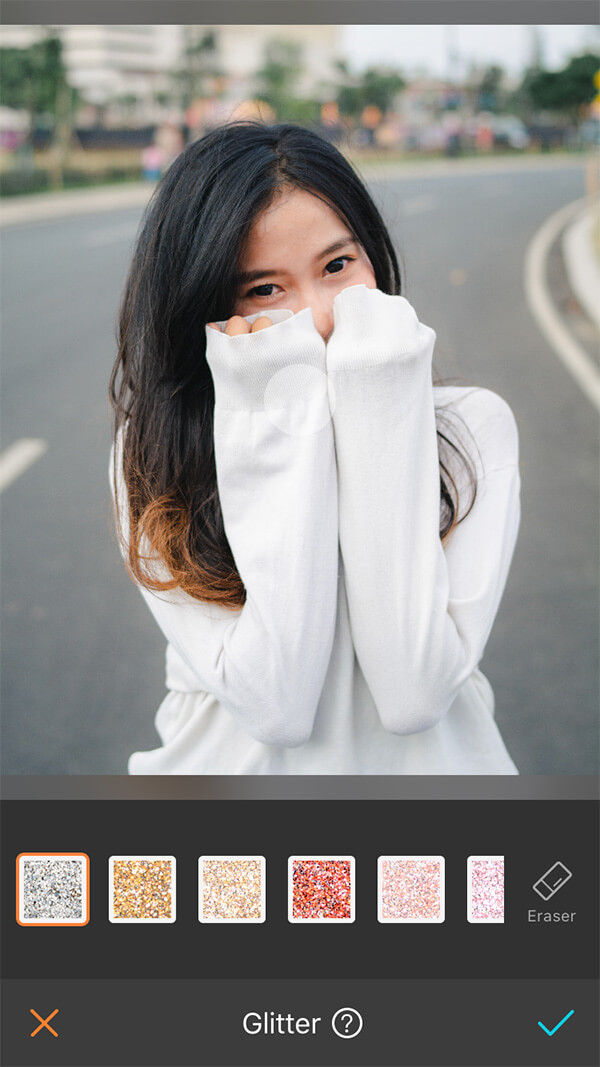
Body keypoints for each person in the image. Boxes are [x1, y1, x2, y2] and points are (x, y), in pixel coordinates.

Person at [109, 122, 520, 775]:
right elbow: (277, 704)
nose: (321, 315)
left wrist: (380, 404)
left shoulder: (469, 431)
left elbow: (414, 692)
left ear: (374, 260)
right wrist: (278, 420)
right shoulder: (153, 449)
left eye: (337, 265)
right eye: (264, 289)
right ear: (206, 307)